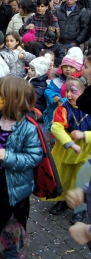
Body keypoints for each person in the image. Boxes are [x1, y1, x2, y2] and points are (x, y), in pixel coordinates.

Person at [0, 76, 42, 258]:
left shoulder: (28, 128)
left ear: (14, 100)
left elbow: (34, 157)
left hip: (14, 187)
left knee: (10, 219)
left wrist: (9, 157)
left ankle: (10, 250)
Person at [47, 74, 91, 224]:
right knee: (63, 177)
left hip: (86, 152)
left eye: (74, 91)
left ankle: (80, 208)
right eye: (67, 91)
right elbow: (56, 126)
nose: (69, 95)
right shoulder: (63, 108)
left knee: (82, 179)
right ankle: (63, 200)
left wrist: (84, 135)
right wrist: (69, 142)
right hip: (66, 151)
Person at [43, 48, 84, 132]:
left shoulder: (80, 84)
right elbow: (48, 90)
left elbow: (79, 96)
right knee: (55, 129)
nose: (68, 69)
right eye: (65, 66)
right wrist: (54, 97)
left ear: (77, 69)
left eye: (71, 67)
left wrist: (62, 101)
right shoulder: (56, 81)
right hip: (54, 111)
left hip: (72, 114)